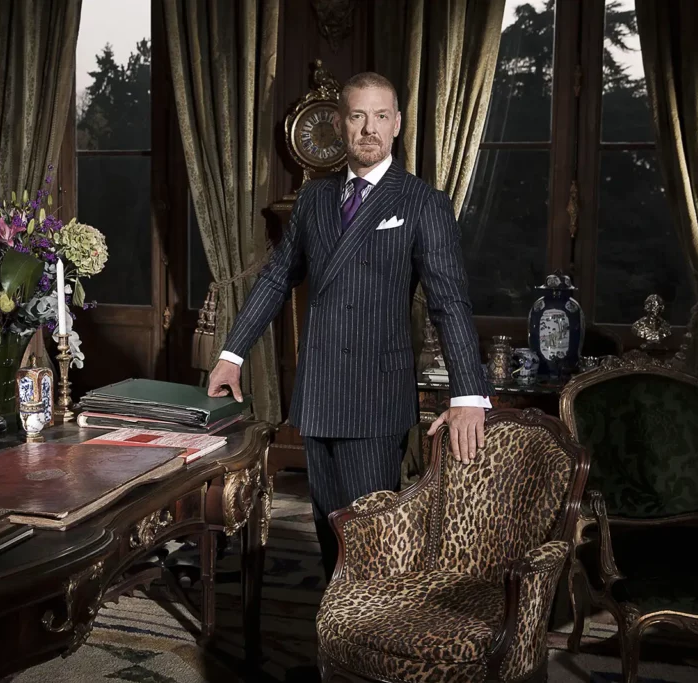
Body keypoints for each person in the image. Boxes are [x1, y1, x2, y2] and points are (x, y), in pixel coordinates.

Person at [207, 72, 494, 582]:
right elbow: (276, 278)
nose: (369, 129)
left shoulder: (421, 202)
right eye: (358, 116)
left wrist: (468, 394)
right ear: (340, 124)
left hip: (374, 396)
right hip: (320, 391)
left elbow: (449, 303)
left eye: (381, 116)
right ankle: (335, 631)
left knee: (369, 541)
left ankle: (369, 632)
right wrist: (232, 355)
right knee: (327, 533)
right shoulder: (314, 199)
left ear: (397, 124)